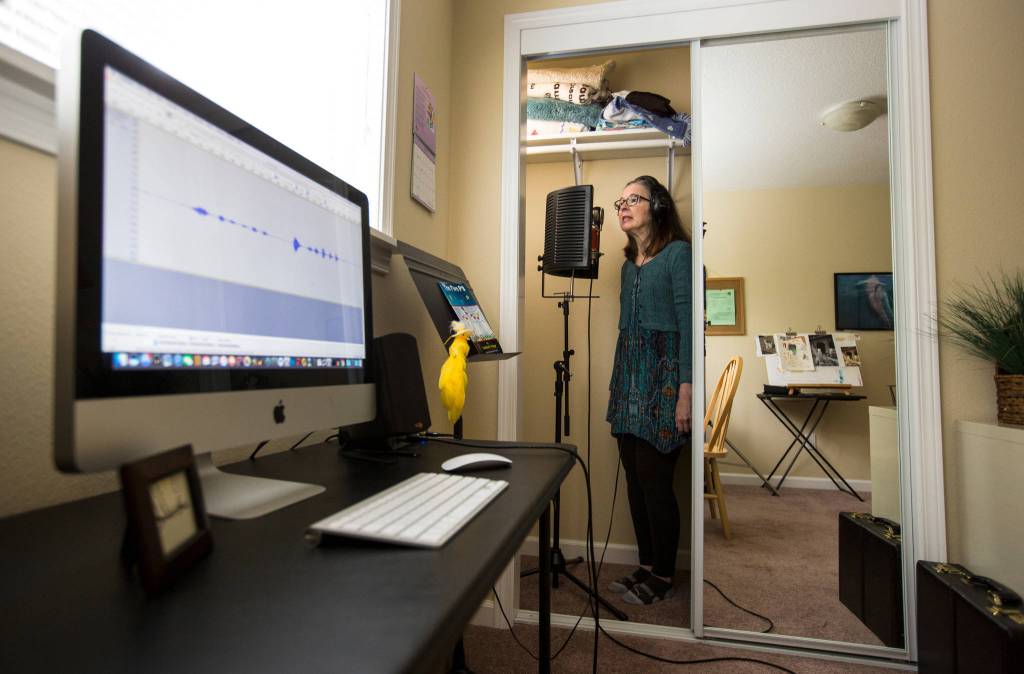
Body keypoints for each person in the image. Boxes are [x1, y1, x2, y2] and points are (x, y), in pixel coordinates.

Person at [605, 175, 692, 606]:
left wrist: (685, 391)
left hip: (663, 380)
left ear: (656, 205)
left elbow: (688, 327)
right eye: (620, 201)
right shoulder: (626, 266)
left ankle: (663, 573)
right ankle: (644, 562)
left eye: (633, 199)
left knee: (656, 482)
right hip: (629, 380)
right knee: (634, 480)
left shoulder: (678, 255)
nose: (623, 206)